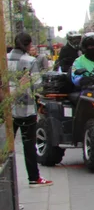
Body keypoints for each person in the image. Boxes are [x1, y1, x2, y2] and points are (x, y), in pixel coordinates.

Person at [8, 33, 52, 187]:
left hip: (7, 109)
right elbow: (37, 86)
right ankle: (34, 178)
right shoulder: (30, 61)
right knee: (29, 145)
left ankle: (5, 180)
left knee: (5, 145)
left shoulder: (4, 59)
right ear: (28, 45)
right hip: (26, 109)